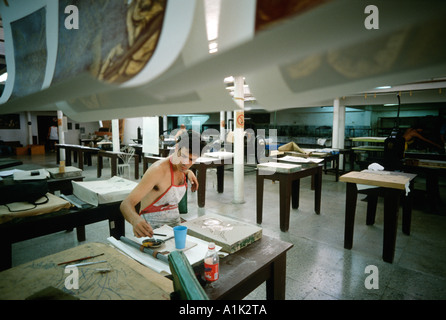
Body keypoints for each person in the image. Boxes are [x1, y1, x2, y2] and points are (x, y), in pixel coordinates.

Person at [120, 130, 202, 238]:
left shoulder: (183, 169)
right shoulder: (157, 170)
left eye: (192, 160)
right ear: (176, 148)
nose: (186, 163)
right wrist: (135, 220)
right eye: (184, 156)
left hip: (175, 229)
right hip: (151, 233)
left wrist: (188, 172)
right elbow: (126, 204)